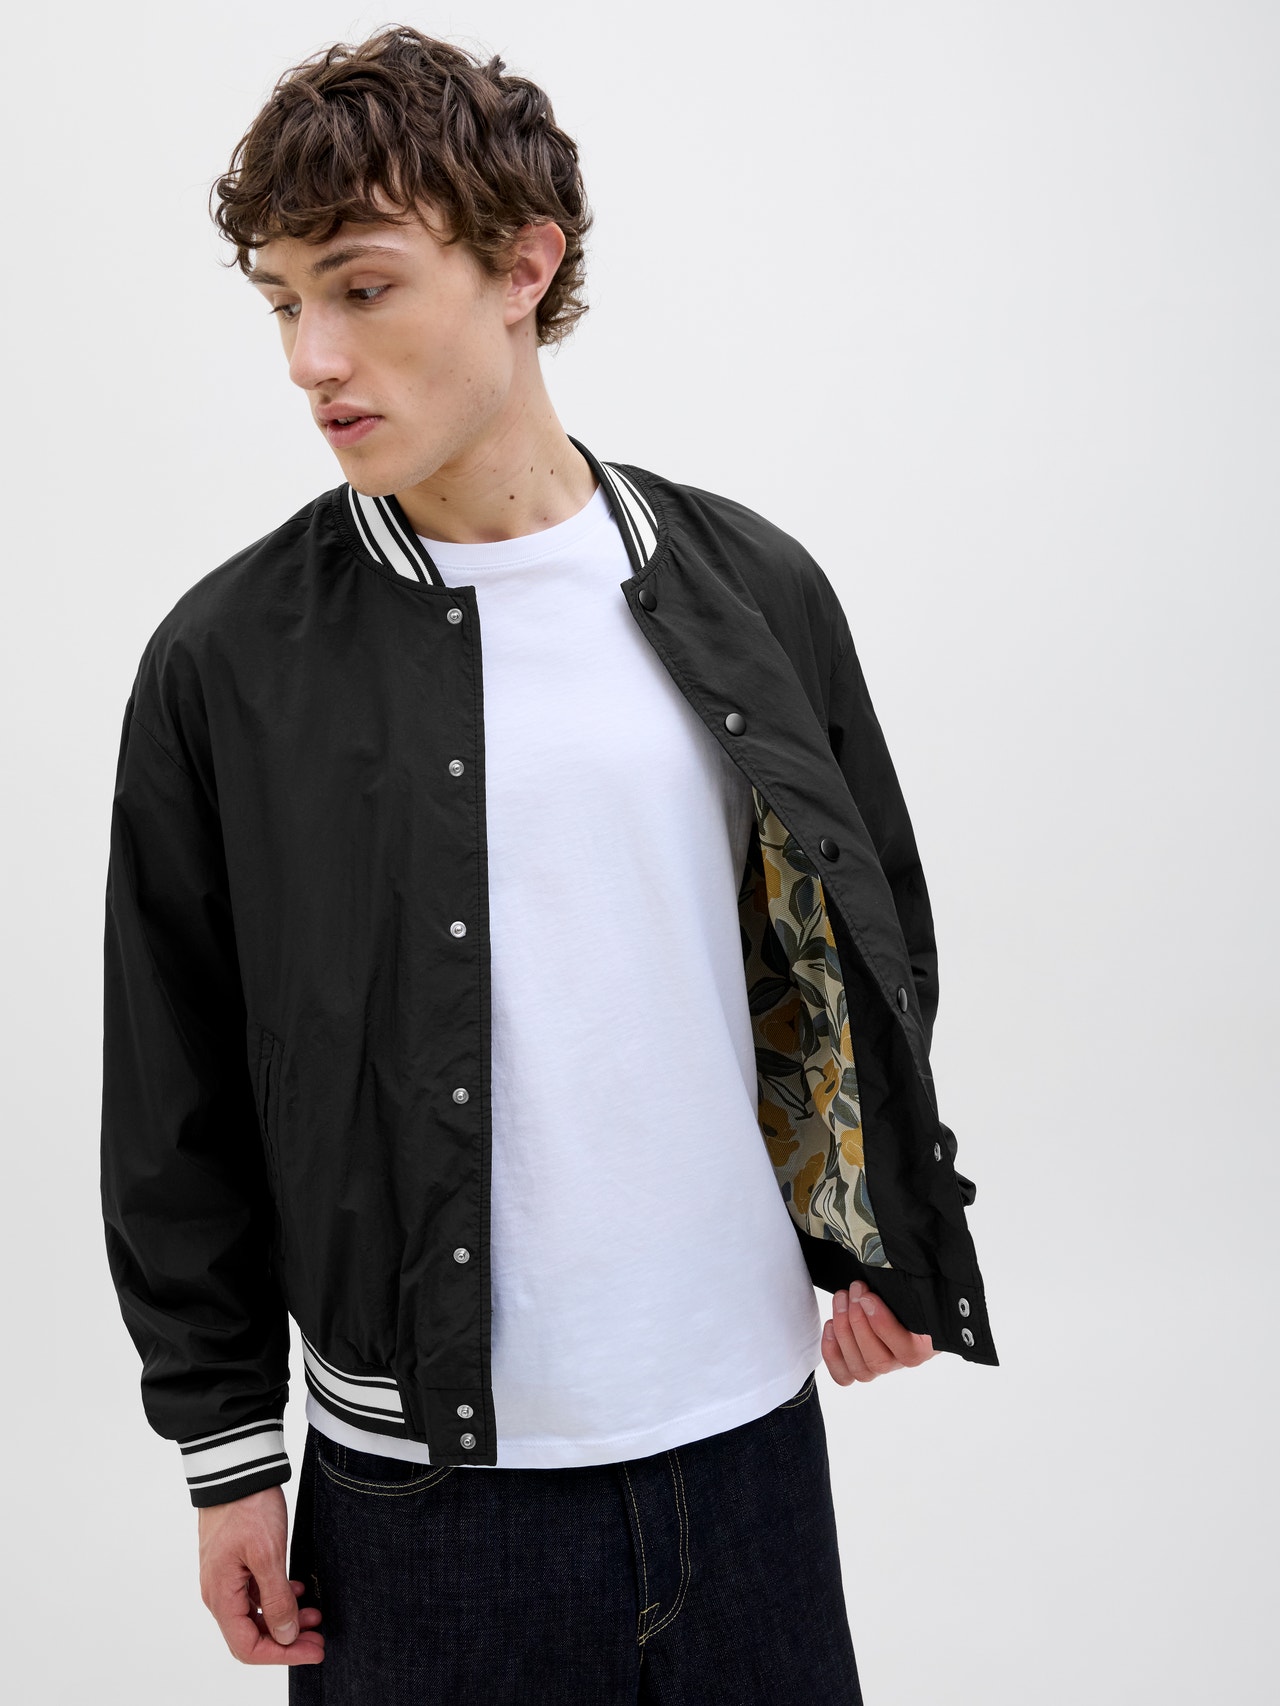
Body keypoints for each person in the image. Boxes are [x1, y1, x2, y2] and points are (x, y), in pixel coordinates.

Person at [99, 24, 997, 1704]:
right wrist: (225, 1451)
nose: (311, 356)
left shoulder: (753, 588)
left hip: (747, 1443)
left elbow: (864, 934)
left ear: (524, 265)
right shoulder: (228, 661)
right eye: (282, 302)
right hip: (422, 1503)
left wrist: (877, 1224)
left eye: (362, 287)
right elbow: (176, 1082)